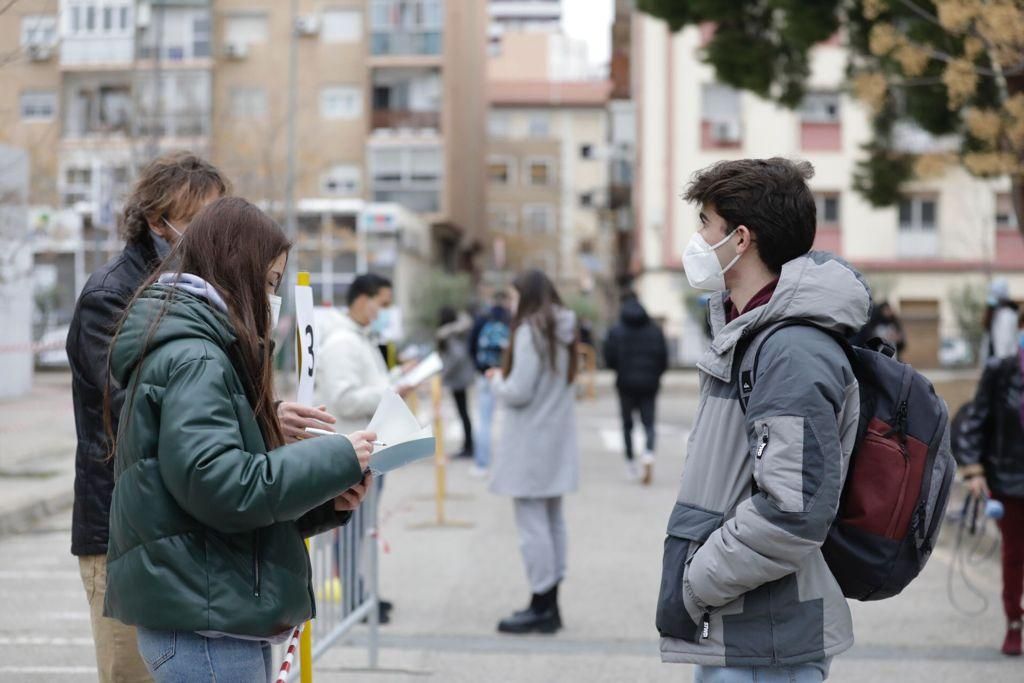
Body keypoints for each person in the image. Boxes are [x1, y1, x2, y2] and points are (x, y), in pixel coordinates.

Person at [66, 154, 340, 683]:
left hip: (193, 533)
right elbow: (145, 409)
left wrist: (269, 420)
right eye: (195, 221)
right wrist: (263, 421)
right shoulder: (119, 297)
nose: (209, 233)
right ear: (155, 220)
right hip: (130, 528)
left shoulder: (214, 305)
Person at [656, 158, 869, 682]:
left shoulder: (790, 352)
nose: (698, 238)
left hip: (766, 640)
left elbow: (792, 510)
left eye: (705, 224)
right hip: (748, 630)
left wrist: (695, 582)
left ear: (741, 238)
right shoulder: (750, 333)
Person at [488, 270, 579, 635]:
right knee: (553, 520)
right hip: (555, 438)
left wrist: (496, 381)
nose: (511, 305)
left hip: (529, 441)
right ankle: (550, 602)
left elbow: (519, 390)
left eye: (513, 297)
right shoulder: (563, 328)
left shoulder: (531, 331)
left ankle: (541, 603)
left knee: (532, 526)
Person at [315, 273, 407, 625]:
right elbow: (344, 397)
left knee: (362, 529)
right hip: (353, 450)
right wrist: (390, 391)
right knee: (350, 529)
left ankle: (361, 593)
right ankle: (354, 596)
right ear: (362, 299)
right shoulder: (342, 342)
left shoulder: (361, 338)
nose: (384, 312)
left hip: (369, 449)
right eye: (382, 304)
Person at [956, 336, 1024, 656]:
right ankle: (1014, 622)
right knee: (1014, 556)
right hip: (1009, 480)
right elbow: (974, 422)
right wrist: (974, 470)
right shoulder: (1001, 371)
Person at [603, 293, 668, 484]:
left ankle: (631, 462)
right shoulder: (655, 330)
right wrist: (655, 374)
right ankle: (648, 454)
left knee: (627, 424)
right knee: (649, 423)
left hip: (625, 383)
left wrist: (619, 370)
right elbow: (663, 358)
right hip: (649, 383)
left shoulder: (616, 330)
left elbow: (609, 357)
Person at [468, 292, 511, 477]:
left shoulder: (481, 319)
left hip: (485, 374)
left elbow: (471, 346)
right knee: (510, 421)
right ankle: (508, 465)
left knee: (484, 421)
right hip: (505, 374)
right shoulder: (511, 320)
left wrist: (479, 367)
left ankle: (482, 464)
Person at [437, 306, 476, 458]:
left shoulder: (448, 335)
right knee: (464, 413)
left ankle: (469, 447)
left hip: (458, 380)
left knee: (463, 413)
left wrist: (444, 373)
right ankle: (468, 446)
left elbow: (456, 356)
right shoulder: (457, 332)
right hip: (460, 378)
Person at [983, 279, 1019, 363]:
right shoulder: (994, 314)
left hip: (1004, 361)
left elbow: (1006, 341)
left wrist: (1001, 360)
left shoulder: (1008, 315)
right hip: (996, 360)